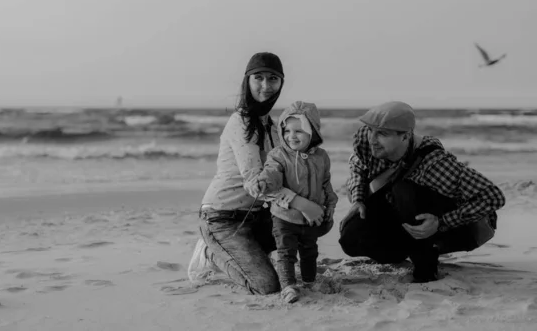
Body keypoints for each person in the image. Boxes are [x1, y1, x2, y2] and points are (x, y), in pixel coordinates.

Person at [187, 52, 326, 295]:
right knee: (267, 285)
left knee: (301, 230)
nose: (265, 85)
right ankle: (210, 251)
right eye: (258, 78)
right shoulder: (241, 122)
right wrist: (302, 203)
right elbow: (255, 183)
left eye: (273, 79)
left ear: (281, 83)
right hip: (223, 217)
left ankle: (246, 251)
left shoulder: (273, 126)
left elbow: (284, 173)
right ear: (247, 81)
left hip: (259, 215)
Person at [338, 101, 506, 283]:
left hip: (459, 227)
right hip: (401, 211)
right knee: (351, 239)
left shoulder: (436, 163)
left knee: (404, 189)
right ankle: (404, 248)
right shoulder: (366, 139)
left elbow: (493, 197)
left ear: (405, 136)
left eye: (383, 134)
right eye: (371, 130)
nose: (372, 139)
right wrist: (358, 200)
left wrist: (441, 222)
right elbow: (357, 167)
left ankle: (426, 265)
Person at [246, 101, 338, 303]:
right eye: (286, 131)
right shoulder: (279, 155)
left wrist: (330, 205)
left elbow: (326, 183)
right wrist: (264, 181)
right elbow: (272, 172)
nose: (291, 136)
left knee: (309, 250)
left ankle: (309, 281)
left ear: (313, 132)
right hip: (284, 215)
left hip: (309, 218)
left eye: (299, 131)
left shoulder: (322, 157)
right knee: (286, 252)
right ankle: (288, 286)